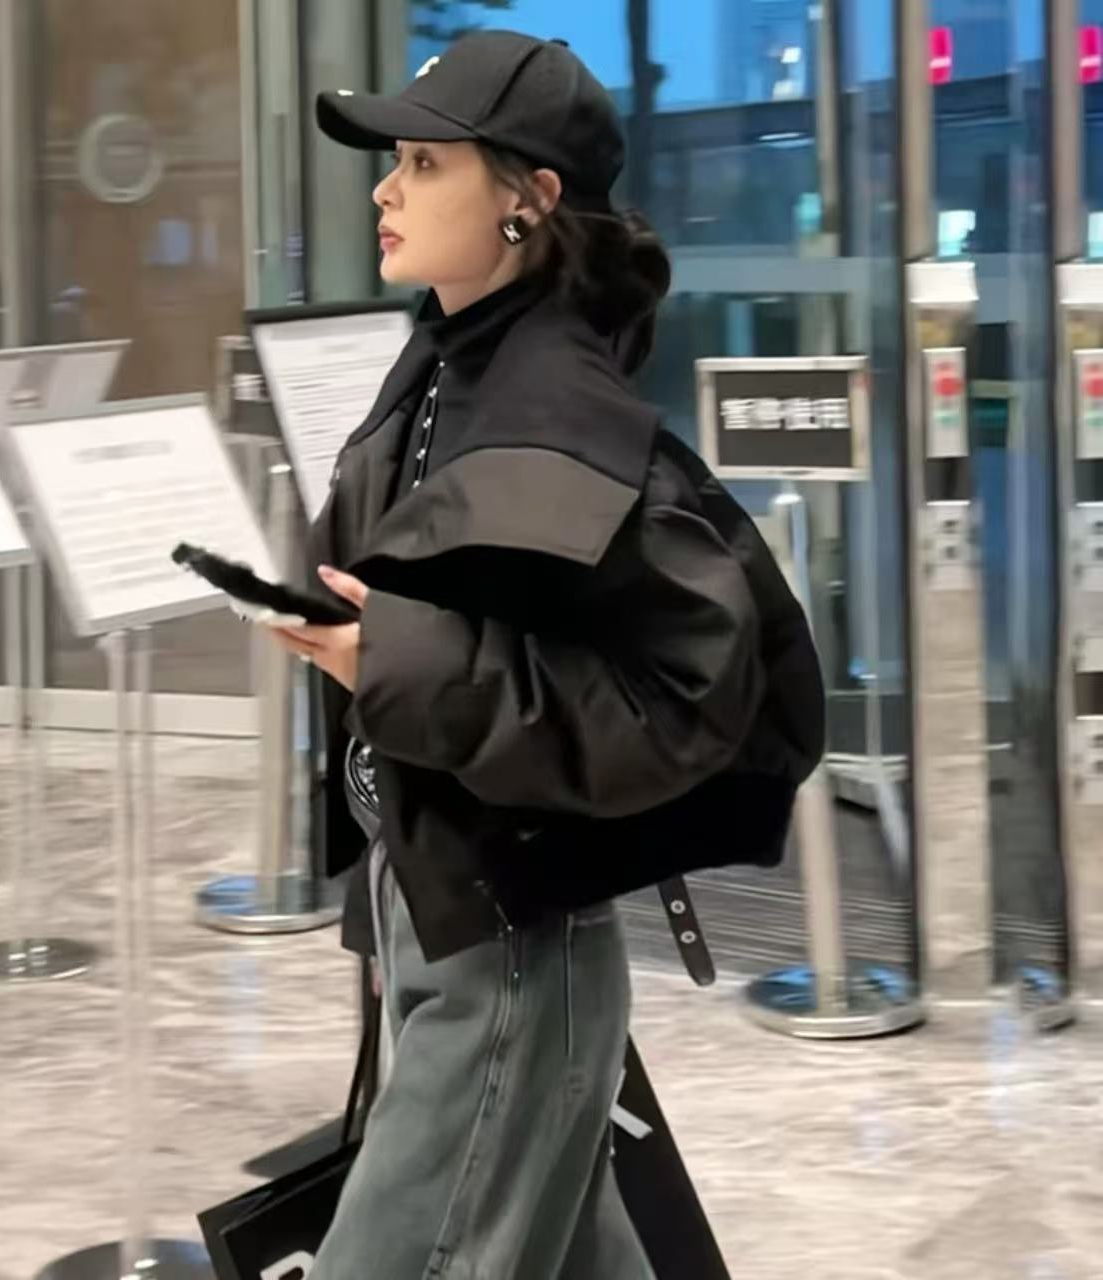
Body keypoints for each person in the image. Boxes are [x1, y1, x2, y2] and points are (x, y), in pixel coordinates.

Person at [266, 30, 824, 1279]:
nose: (385, 188)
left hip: (509, 951)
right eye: (392, 160)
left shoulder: (559, 411)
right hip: (449, 914)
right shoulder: (444, 360)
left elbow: (685, 695)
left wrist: (390, 663)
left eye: (423, 162)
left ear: (527, 198)